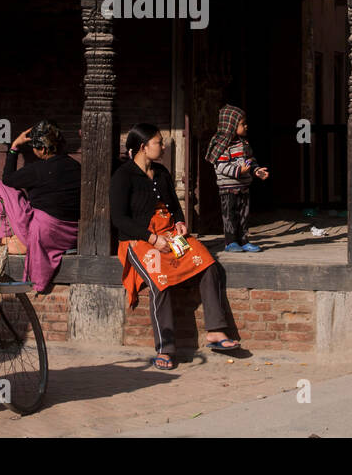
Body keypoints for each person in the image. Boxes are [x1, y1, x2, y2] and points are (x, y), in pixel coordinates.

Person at [111, 123, 242, 370]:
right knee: (160, 280)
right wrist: (151, 239)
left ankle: (215, 330)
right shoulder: (123, 176)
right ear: (143, 146)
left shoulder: (161, 172)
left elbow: (173, 203)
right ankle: (165, 348)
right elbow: (119, 219)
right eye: (158, 142)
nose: (163, 146)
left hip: (170, 234)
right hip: (138, 240)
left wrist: (180, 222)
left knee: (206, 261)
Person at [0, 120, 80, 292]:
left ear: (44, 149)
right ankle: (15, 240)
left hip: (44, 234)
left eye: (34, 147)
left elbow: (7, 180)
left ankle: (7, 238)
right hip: (70, 236)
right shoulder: (76, 167)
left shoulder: (38, 170)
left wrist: (14, 146)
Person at [205, 105, 270, 252]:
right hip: (228, 188)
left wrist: (256, 170)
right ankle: (231, 242)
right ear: (231, 125)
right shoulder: (222, 145)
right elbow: (221, 166)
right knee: (230, 215)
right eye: (242, 123)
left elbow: (250, 160)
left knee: (243, 215)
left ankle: (243, 240)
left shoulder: (244, 143)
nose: (246, 126)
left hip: (244, 187)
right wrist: (238, 171)